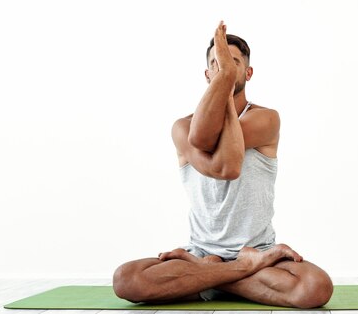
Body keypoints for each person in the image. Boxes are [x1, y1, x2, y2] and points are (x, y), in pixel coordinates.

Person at [112, 21, 333, 308]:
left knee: (316, 287)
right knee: (125, 279)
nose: (224, 68)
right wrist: (240, 265)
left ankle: (206, 279)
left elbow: (229, 163)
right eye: (218, 63)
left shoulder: (266, 119)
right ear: (208, 74)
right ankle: (238, 275)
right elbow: (212, 152)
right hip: (205, 253)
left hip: (256, 250)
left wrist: (224, 82)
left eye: (233, 63)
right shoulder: (182, 127)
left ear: (248, 72)